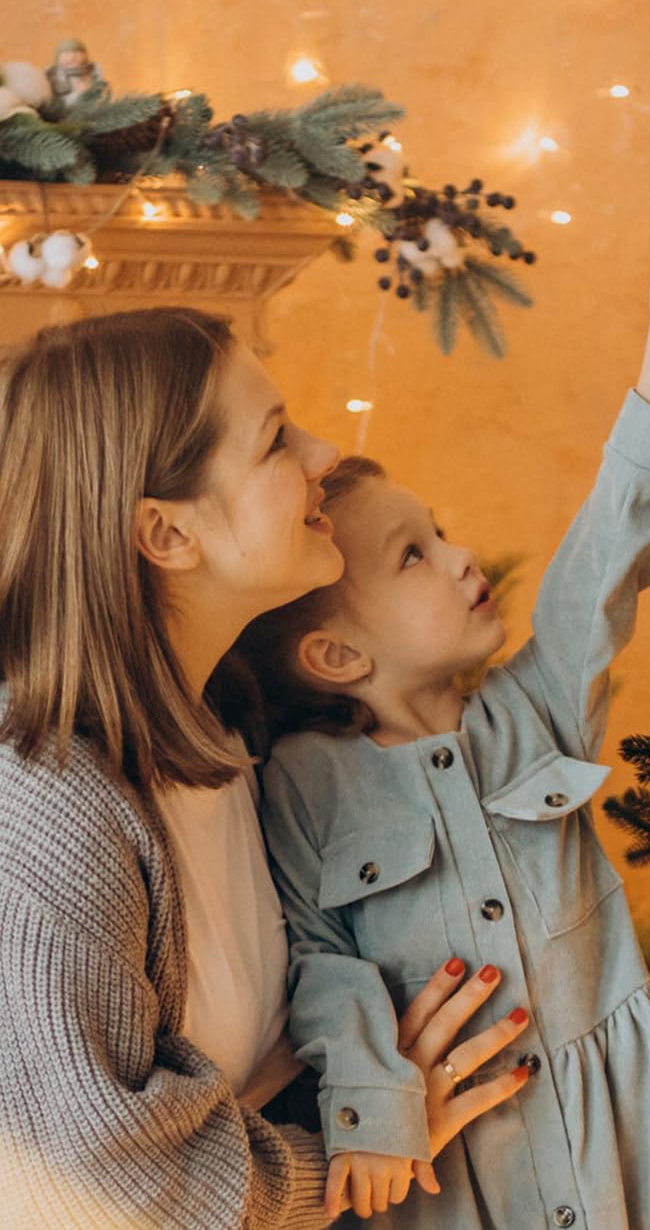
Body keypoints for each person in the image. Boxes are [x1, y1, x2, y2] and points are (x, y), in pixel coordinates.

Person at [246, 193, 650, 1228]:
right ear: (336, 654)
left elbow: (601, 565)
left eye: (443, 531)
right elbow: (314, 959)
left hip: (622, 1147)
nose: (462, 556)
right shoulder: (301, 785)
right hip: (452, 1171)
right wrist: (372, 1099)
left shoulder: (533, 713)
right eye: (413, 554)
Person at [0, 306, 531, 1228]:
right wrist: (345, 1158)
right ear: (166, 536)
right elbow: (101, 1182)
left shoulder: (237, 718)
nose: (326, 453)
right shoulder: (47, 809)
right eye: (277, 441)